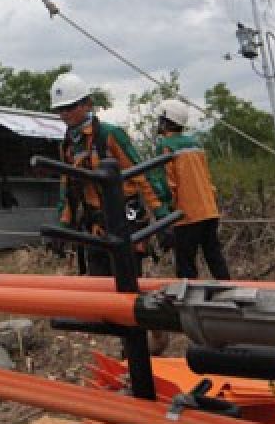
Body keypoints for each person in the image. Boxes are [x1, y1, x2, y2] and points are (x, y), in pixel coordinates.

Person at [50, 73, 171, 276]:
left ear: (87, 104)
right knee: (99, 288)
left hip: (125, 220)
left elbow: (141, 175)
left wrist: (162, 216)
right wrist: (63, 225)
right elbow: (67, 185)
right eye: (60, 109)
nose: (65, 114)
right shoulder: (69, 145)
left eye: (70, 107)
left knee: (127, 286)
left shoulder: (109, 135)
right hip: (96, 226)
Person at [153, 99, 230, 280]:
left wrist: (165, 213)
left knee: (186, 264)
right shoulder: (196, 144)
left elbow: (166, 183)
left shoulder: (166, 146)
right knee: (215, 256)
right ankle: (229, 289)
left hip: (186, 215)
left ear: (166, 121)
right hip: (209, 210)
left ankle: (189, 302)